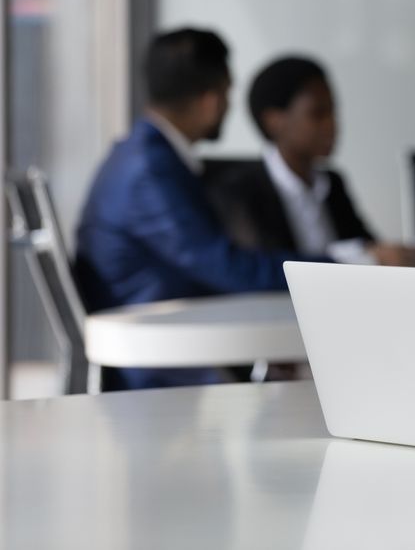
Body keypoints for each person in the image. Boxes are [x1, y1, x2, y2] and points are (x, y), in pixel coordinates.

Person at [75, 29, 327, 390]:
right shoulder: (151, 169)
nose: (227, 106)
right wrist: (339, 266)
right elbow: (222, 266)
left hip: (163, 342)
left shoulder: (141, 154)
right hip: (156, 363)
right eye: (228, 92)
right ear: (210, 99)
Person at [205, 56, 415, 266]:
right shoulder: (241, 190)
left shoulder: (331, 183)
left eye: (334, 111)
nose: (333, 125)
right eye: (318, 114)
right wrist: (364, 257)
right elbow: (266, 268)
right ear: (275, 121)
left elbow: (377, 254)